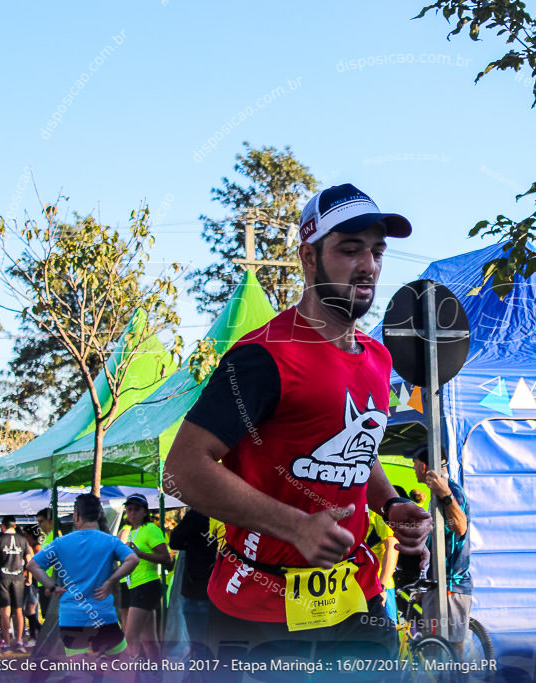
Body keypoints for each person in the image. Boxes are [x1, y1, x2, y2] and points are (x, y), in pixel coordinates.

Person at [163, 183, 431, 660]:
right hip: (262, 610)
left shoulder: (377, 359)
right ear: (309, 258)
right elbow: (181, 470)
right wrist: (295, 526)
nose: (368, 265)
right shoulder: (263, 357)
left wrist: (391, 506)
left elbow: (353, 449)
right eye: (350, 250)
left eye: (376, 251)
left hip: (356, 599)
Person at [28, 493, 139, 661]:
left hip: (72, 616)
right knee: (122, 665)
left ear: (76, 515)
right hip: (102, 616)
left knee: (77, 669)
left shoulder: (60, 542)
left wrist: (52, 587)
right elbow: (133, 559)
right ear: (99, 514)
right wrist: (111, 581)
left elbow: (33, 565)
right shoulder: (109, 541)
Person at [406, 444, 474, 654]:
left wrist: (445, 496)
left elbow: (460, 527)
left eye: (415, 464)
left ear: (425, 465)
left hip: (450, 584)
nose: (414, 469)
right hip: (439, 584)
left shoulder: (450, 490)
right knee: (435, 649)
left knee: (450, 651)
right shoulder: (438, 493)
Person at [122, 493, 170, 660]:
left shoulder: (150, 529)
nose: (132, 513)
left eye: (137, 509)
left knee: (129, 637)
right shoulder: (131, 531)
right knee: (148, 639)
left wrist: (140, 554)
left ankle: (131, 675)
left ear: (145, 512)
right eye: (129, 509)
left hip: (147, 585)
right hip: (134, 586)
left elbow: (166, 558)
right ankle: (157, 673)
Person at [168, 509, 217, 655]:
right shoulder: (230, 514)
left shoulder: (197, 514)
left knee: (199, 646)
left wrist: (192, 542)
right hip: (222, 592)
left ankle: (201, 675)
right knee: (216, 644)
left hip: (197, 591)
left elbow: (175, 541)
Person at [0, 515, 32, 652]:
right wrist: (29, 577)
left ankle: (6, 642)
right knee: (18, 610)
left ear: (3, 526)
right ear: (15, 526)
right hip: (18, 578)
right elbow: (30, 560)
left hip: (3, 578)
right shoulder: (23, 540)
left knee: (5, 609)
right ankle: (18, 641)